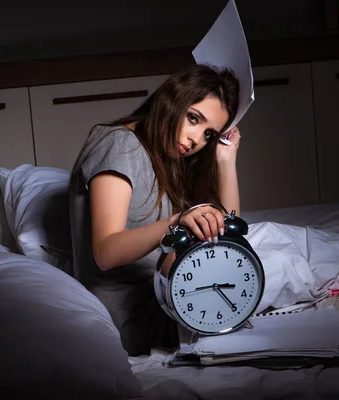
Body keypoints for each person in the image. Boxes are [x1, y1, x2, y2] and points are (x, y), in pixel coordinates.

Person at [69, 64, 241, 356]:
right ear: (173, 99)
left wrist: (225, 159)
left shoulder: (167, 158)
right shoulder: (120, 145)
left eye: (209, 134)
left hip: (168, 300)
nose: (196, 139)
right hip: (128, 319)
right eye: (193, 118)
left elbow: (231, 236)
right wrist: (177, 221)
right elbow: (105, 252)